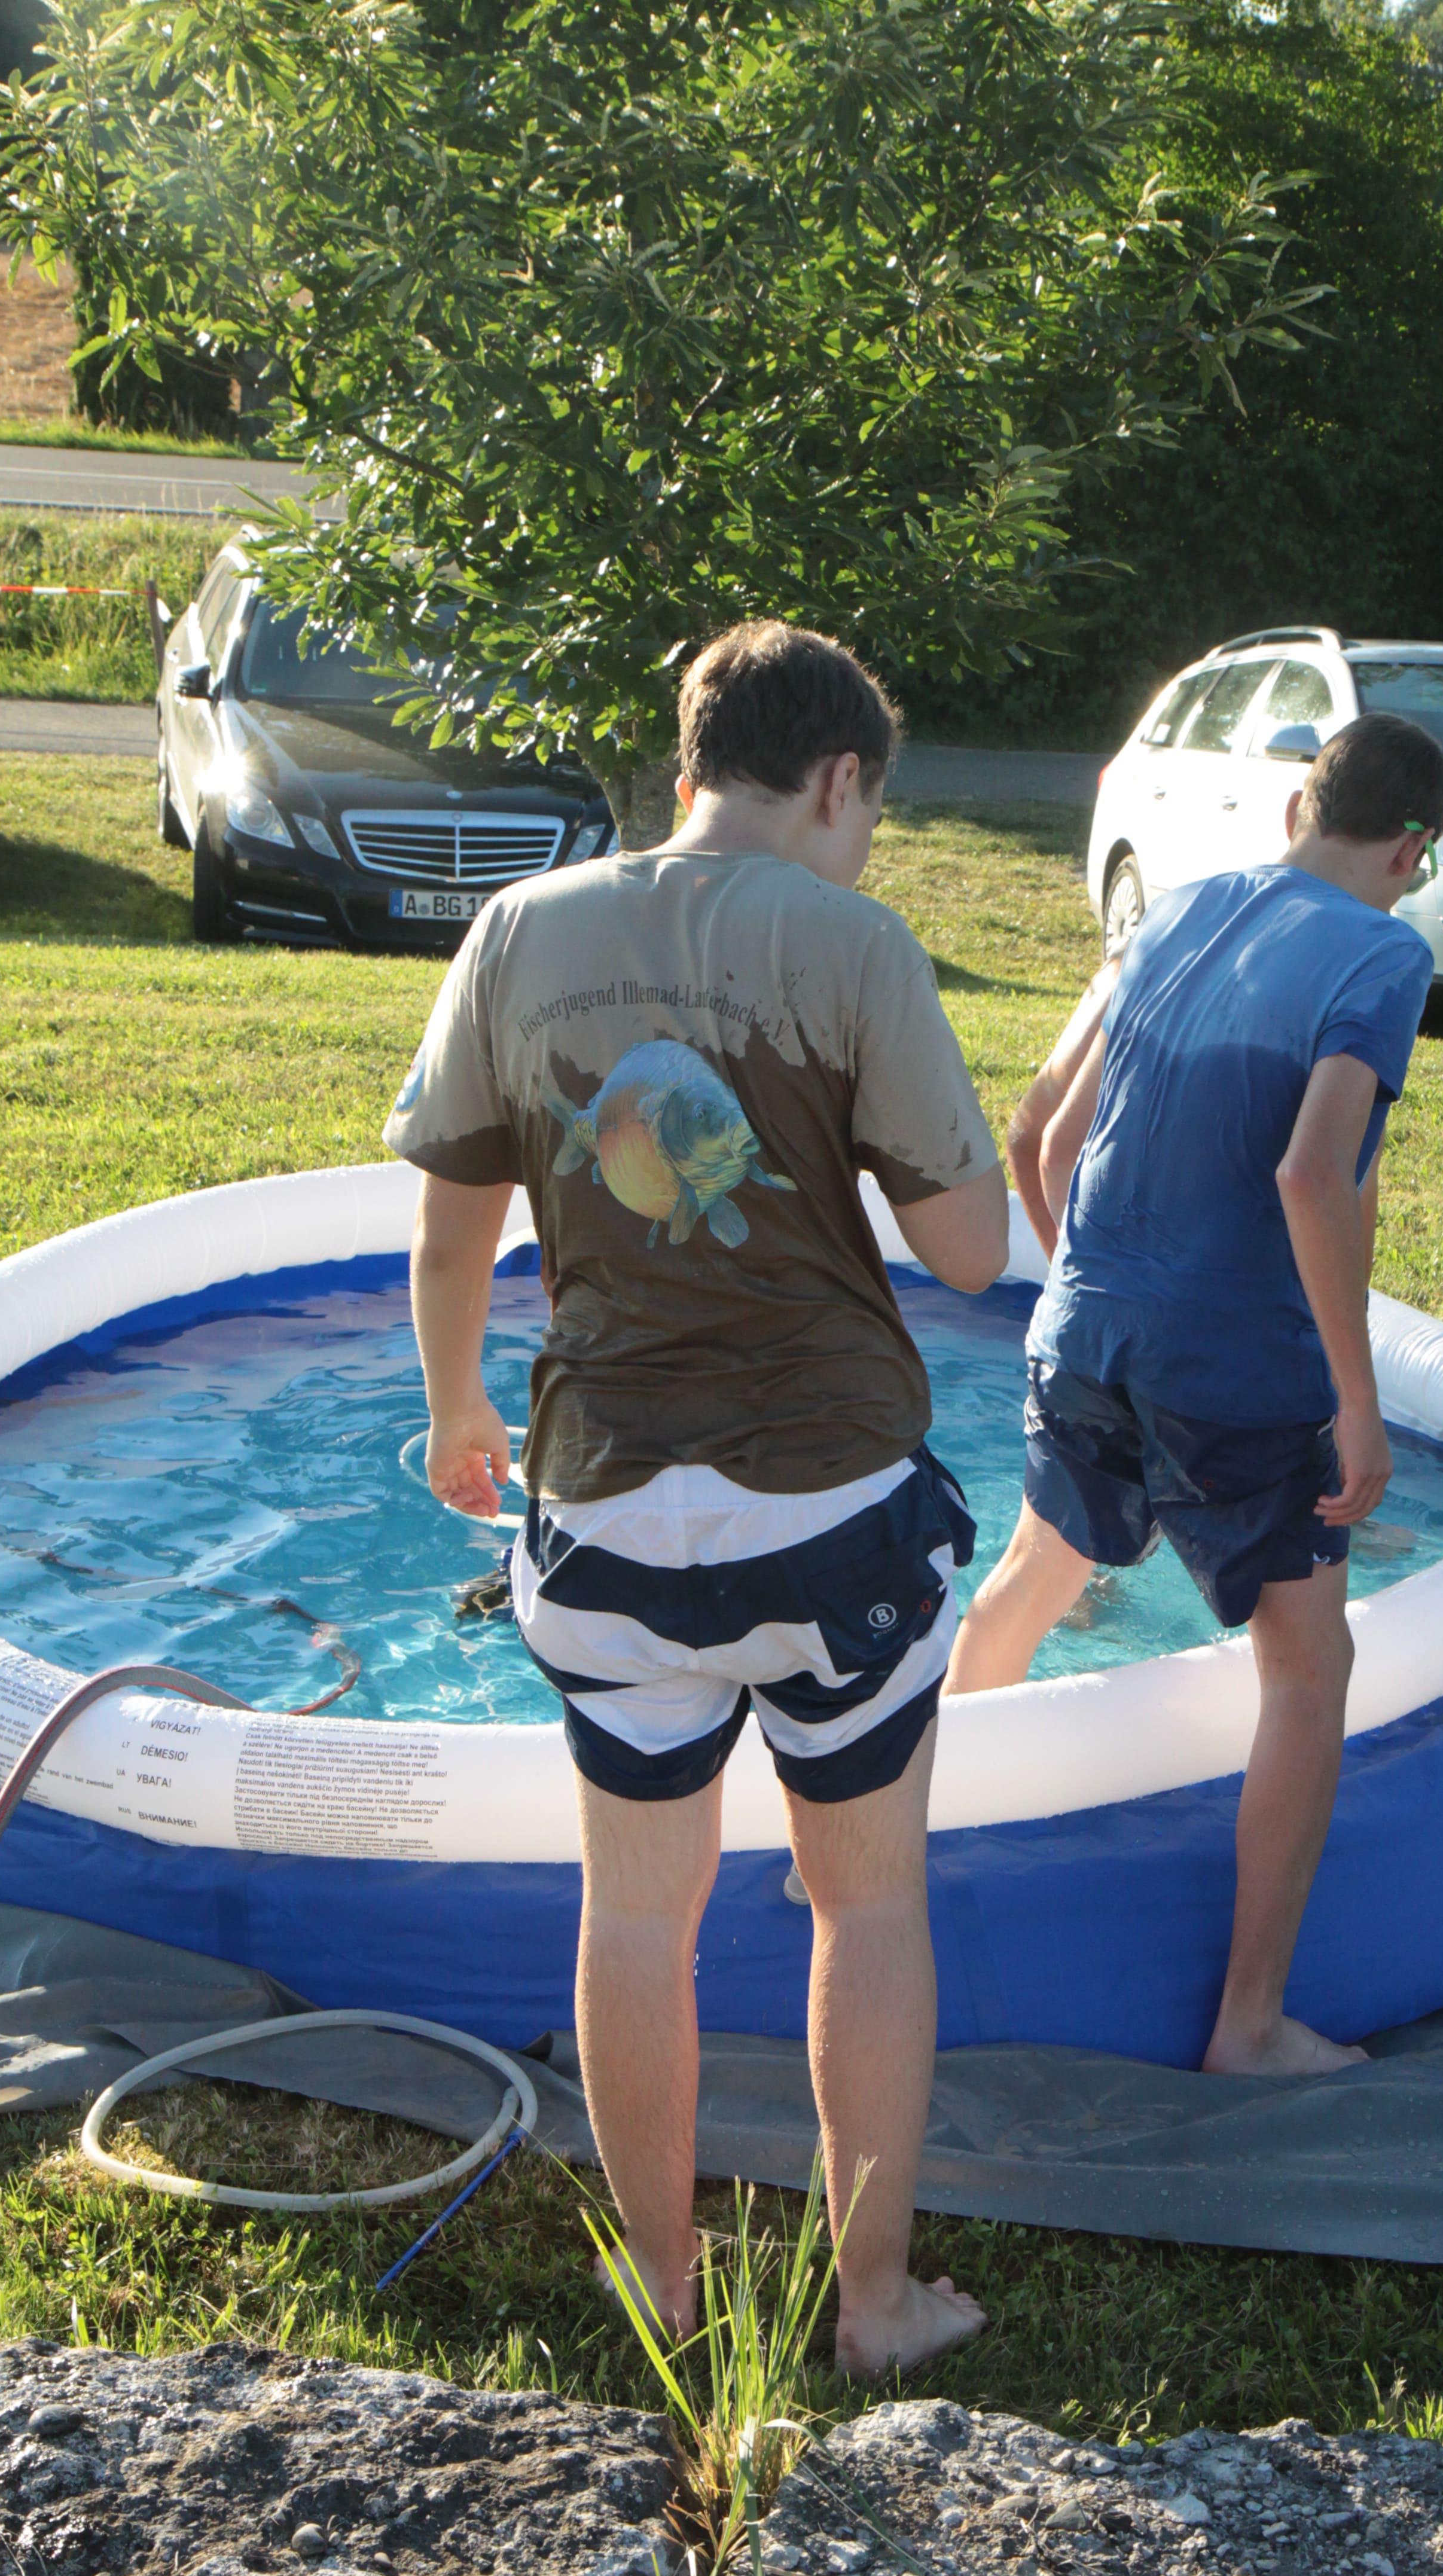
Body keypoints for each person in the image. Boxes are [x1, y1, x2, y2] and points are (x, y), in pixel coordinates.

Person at [385, 620, 1010, 2374]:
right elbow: (971, 1251)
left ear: (688, 772)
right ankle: (872, 2306)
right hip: (833, 1511)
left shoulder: (520, 931)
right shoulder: (855, 944)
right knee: (866, 1904)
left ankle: (659, 2290)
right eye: (866, 814)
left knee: (638, 1913)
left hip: (605, 1510)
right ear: (837, 780)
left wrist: (453, 1406)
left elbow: (449, 1227)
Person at [944, 714, 1443, 2078]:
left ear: (1298, 810)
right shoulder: (1385, 956)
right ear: (1413, 851)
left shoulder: (1170, 911)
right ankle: (1250, 2024)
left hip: (1082, 1331)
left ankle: (908, 1861)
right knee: (1310, 1671)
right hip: (1233, 1370)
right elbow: (1311, 1174)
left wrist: (1094, 1284)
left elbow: (1041, 1130)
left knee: (1030, 1584)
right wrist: (1357, 1401)